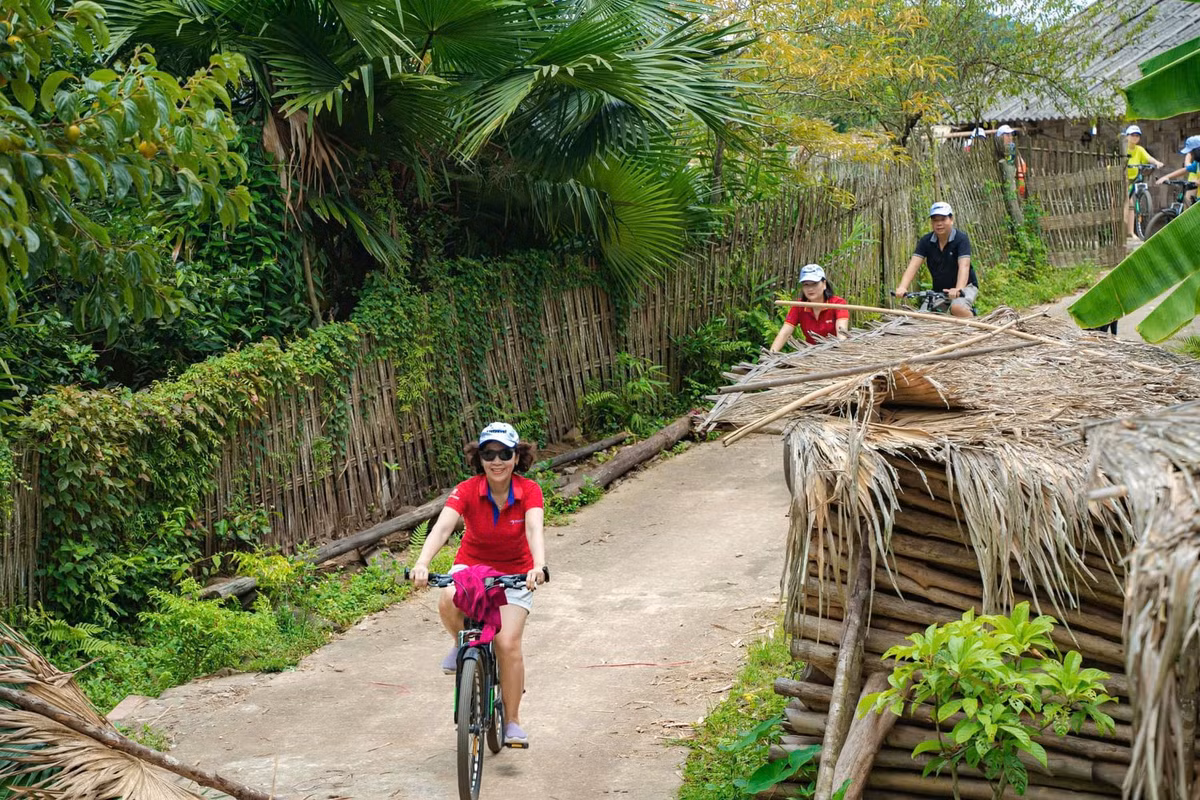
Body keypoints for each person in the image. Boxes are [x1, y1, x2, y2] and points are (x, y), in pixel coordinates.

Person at [410, 421, 547, 747]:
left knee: (507, 644)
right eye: (489, 454)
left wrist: (539, 565)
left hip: (516, 574)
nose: (496, 461)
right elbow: (442, 529)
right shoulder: (467, 489)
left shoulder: (529, 491)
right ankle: (462, 643)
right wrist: (422, 563)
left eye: (504, 454)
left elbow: (534, 530)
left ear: (517, 457)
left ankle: (512, 721)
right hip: (473, 568)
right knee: (448, 596)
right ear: (479, 458)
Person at [894, 202, 978, 319]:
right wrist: (903, 287)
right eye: (935, 220)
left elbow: (964, 266)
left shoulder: (961, 239)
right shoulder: (926, 241)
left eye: (943, 219)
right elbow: (913, 265)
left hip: (965, 287)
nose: (939, 224)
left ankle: (974, 324)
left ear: (951, 219)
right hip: (939, 290)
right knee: (925, 317)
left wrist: (959, 288)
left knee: (957, 308)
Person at [769, 263, 849, 352]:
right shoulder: (799, 306)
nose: (810, 289)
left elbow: (842, 333)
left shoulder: (838, 303)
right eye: (806, 284)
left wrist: (841, 352)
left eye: (814, 284)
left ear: (824, 284)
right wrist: (771, 354)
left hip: (834, 351)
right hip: (811, 353)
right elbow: (784, 333)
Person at [1124, 124, 1164, 238]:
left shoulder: (1139, 149)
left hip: (1133, 178)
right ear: (1127, 136)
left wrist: (1156, 163)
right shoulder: (1123, 148)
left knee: (1131, 204)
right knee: (1127, 203)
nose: (1135, 137)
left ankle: (1131, 232)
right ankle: (1123, 231)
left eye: (1137, 135)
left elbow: (1148, 158)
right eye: (1132, 135)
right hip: (1122, 178)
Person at [1156, 134, 1200, 206]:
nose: (1191, 155)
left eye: (1192, 153)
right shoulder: (1197, 164)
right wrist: (1166, 177)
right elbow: (1185, 170)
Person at [995, 124, 1028, 200]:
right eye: (1007, 135)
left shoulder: (1014, 152)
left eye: (1011, 135)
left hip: (1019, 192)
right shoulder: (997, 153)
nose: (1010, 137)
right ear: (1000, 137)